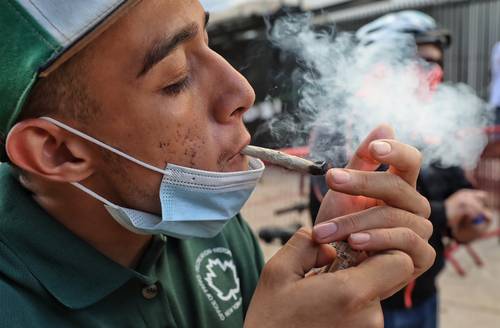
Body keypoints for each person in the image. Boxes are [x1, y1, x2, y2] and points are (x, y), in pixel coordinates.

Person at [0, 1, 435, 327]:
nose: (243, 91)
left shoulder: (206, 226)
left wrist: (336, 268)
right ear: (58, 151)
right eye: (175, 79)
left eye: (207, 42)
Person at [336, 11, 489, 328]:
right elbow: (350, 218)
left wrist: (468, 215)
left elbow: (454, 187)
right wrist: (446, 212)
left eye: (437, 64)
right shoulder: (343, 129)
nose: (434, 75)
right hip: (372, 303)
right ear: (381, 64)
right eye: (422, 64)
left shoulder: (427, 125)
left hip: (425, 290)